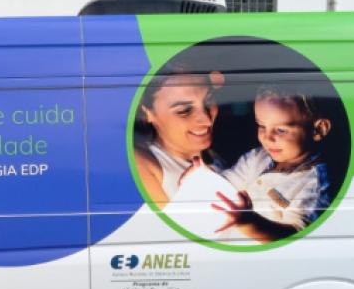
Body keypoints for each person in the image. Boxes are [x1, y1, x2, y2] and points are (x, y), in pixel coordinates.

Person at [212, 83, 332, 242]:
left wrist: (248, 223)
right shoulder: (257, 157)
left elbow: (297, 235)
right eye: (262, 126)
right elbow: (224, 184)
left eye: (281, 130)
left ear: (319, 129)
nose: (267, 138)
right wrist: (203, 174)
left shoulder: (314, 185)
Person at [133, 65, 226, 206]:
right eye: (184, 110)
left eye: (208, 101)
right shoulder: (142, 164)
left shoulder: (214, 153)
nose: (207, 120)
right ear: (147, 113)